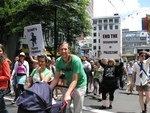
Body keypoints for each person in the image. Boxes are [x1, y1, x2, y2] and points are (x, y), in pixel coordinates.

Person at [50, 42, 87, 113]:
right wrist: (48, 89)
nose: (63, 51)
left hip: (79, 84)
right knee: (65, 108)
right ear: (59, 51)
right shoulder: (58, 61)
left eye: (65, 49)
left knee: (77, 110)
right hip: (68, 83)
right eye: (61, 49)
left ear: (69, 50)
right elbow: (56, 78)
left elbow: (75, 80)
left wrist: (68, 93)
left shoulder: (75, 60)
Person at [0, 44, 11, 113]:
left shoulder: (5, 62)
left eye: (0, 51)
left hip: (2, 88)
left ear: (3, 52)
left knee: (2, 108)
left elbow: (7, 76)